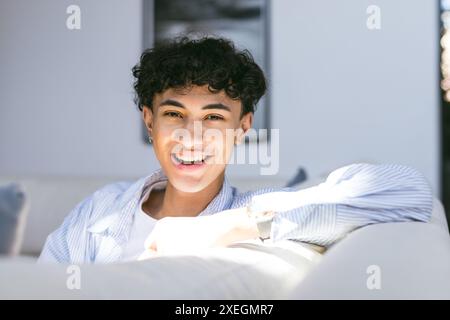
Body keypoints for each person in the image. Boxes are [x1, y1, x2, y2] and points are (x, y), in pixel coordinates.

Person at [38, 37, 432, 263]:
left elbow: (409, 191)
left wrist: (229, 226)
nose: (192, 136)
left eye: (213, 117)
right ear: (149, 121)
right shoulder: (100, 210)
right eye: (175, 113)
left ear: (242, 127)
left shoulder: (258, 209)